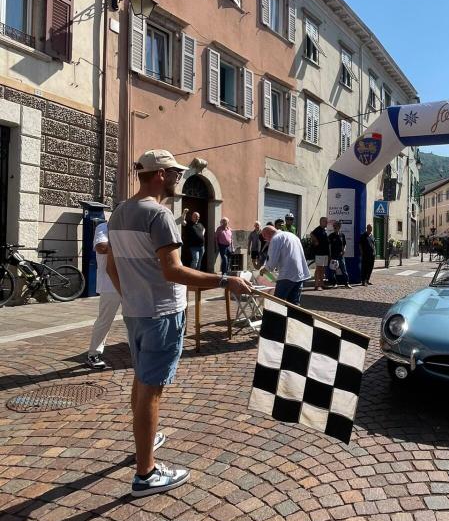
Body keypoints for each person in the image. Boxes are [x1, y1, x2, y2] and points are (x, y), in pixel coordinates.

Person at [106, 149, 252, 497]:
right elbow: (173, 270)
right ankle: (146, 473)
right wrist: (224, 280)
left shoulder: (120, 212)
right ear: (159, 175)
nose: (177, 179)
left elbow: (111, 267)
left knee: (142, 379)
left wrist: (131, 296)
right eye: (173, 174)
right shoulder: (159, 214)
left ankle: (145, 439)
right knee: (151, 389)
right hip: (162, 312)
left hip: (136, 311)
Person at [86, 219, 122, 371]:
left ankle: (137, 350)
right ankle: (93, 354)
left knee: (134, 318)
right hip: (110, 285)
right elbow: (101, 247)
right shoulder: (104, 227)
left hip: (130, 283)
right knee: (105, 320)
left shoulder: (129, 229)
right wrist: (127, 247)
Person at [259, 223, 310, 305]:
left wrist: (265, 269)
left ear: (266, 234)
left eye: (265, 238)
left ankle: (278, 314)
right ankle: (293, 314)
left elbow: (272, 260)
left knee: (278, 303)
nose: (266, 240)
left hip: (287, 275)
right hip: (300, 274)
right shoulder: (292, 236)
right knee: (294, 304)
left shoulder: (275, 239)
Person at [328, 221, 351, 288]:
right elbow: (329, 246)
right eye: (334, 227)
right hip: (333, 256)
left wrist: (344, 250)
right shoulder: (331, 236)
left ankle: (346, 283)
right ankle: (334, 284)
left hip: (340, 256)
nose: (335, 228)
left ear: (339, 227)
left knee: (344, 270)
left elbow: (344, 244)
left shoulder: (342, 235)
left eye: (336, 227)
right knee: (333, 271)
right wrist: (330, 255)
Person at [310, 216, 330, 291]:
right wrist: (315, 241)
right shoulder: (317, 230)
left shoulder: (325, 230)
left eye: (327, 222)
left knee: (323, 269)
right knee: (318, 269)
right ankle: (316, 285)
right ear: (321, 222)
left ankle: (322, 284)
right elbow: (311, 234)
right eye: (325, 221)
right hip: (319, 253)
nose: (326, 223)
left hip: (325, 253)